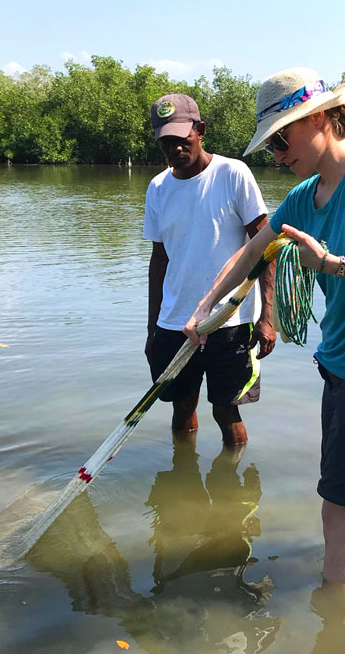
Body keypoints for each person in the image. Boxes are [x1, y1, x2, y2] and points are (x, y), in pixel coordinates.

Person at [183, 67, 345, 585]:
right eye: (271, 146)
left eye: (281, 140)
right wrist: (204, 309)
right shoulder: (304, 197)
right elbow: (249, 254)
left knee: (338, 523)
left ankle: (344, 623)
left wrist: (332, 264)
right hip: (339, 374)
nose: (277, 157)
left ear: (318, 118)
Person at [144, 93, 276, 446]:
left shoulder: (233, 173)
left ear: (200, 131)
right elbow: (159, 260)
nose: (175, 148)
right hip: (174, 322)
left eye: (182, 138)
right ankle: (183, 472)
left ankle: (232, 477)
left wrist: (266, 318)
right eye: (166, 142)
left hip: (228, 321)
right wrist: (152, 329)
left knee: (225, 410)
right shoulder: (158, 188)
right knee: (182, 405)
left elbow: (265, 246)